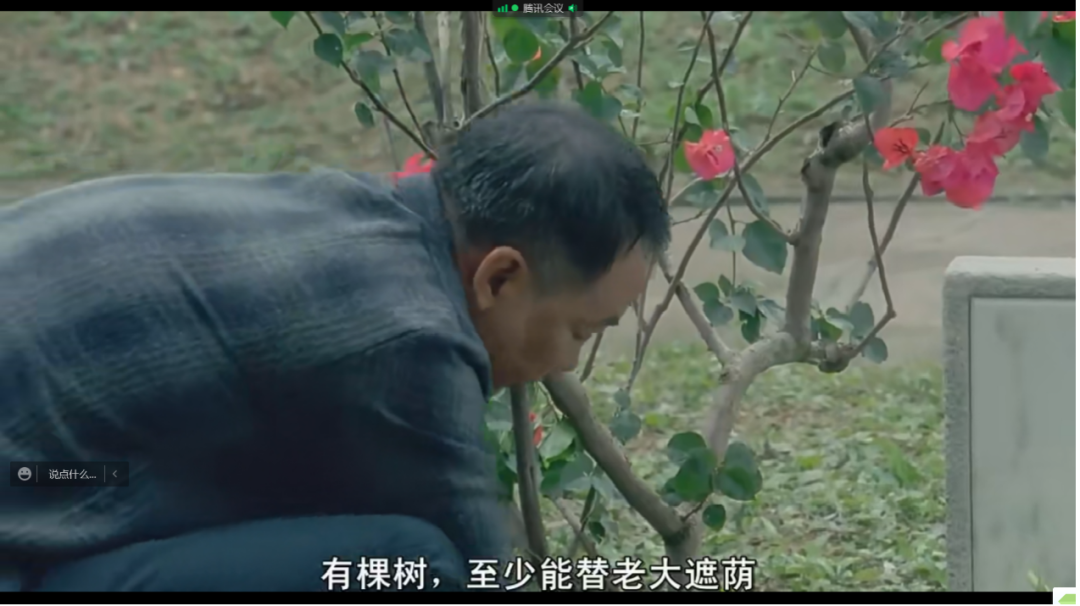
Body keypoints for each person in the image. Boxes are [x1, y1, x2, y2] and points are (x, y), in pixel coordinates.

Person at [0, 101, 670, 591]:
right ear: (500, 277)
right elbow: (484, 569)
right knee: (417, 565)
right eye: (580, 331)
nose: (567, 362)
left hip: (48, 484)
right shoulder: (412, 336)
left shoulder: (361, 215)